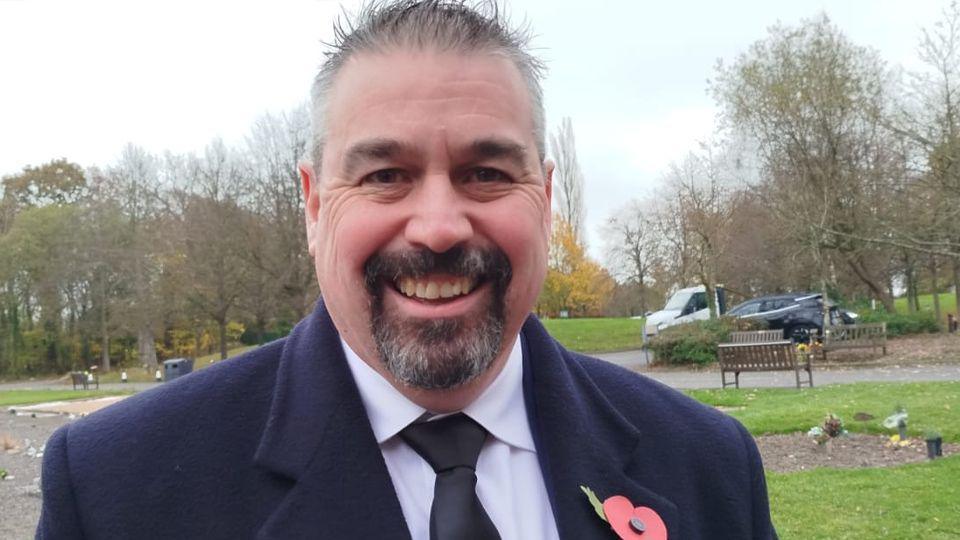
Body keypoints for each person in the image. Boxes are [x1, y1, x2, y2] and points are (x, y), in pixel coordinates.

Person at [36, 1, 777, 538]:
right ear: (314, 205)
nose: (439, 226)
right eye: (386, 174)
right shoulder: (116, 490)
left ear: (546, 199)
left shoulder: (706, 465)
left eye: (486, 172)